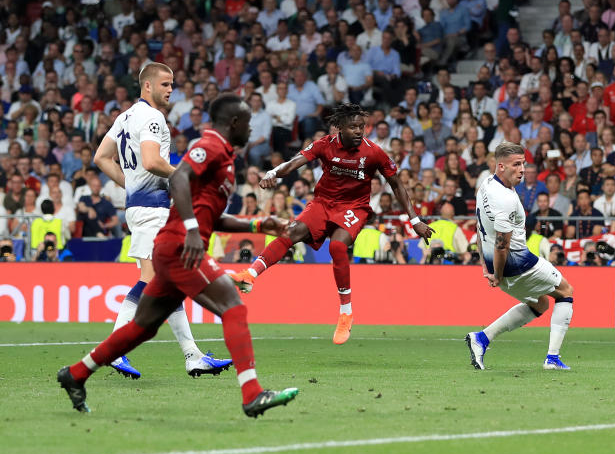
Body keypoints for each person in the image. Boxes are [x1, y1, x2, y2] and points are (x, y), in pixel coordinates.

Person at [57, 94, 299, 418]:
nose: (252, 126)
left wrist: (258, 223)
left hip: (173, 247)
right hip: (180, 245)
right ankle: (252, 393)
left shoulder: (226, 159)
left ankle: (75, 374)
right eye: (248, 120)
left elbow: (212, 216)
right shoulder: (210, 145)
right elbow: (180, 176)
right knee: (233, 308)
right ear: (234, 123)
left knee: (142, 328)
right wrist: (192, 229)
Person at [232, 104, 433, 344]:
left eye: (362, 126)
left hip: (354, 206)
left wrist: (415, 220)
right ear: (340, 128)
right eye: (353, 127)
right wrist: (273, 173)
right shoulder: (325, 144)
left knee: (337, 247)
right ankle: (250, 274)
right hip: (323, 202)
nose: (359, 131)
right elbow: (296, 162)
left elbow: (397, 185)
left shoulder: (374, 152)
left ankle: (346, 312)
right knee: (292, 231)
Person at [94, 63, 230, 378]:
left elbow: (101, 157)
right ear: (148, 86)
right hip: (152, 208)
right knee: (153, 279)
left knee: (167, 281)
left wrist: (130, 185)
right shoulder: (153, 117)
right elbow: (153, 161)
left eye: (172, 85)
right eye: (166, 84)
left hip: (140, 206)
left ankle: (192, 356)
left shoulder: (124, 117)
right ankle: (115, 351)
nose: (170, 90)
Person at [465, 142, 575, 371]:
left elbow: (480, 227)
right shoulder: (505, 199)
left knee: (540, 302)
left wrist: (484, 264)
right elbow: (502, 244)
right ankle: (552, 359)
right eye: (517, 165)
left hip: (498, 264)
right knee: (565, 291)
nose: (522, 169)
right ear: (501, 166)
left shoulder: (485, 184)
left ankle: (482, 338)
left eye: (523, 164)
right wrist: (497, 272)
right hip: (516, 264)